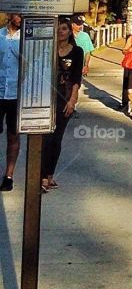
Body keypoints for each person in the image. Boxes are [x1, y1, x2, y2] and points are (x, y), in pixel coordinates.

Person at [41, 19, 83, 192]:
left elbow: (76, 79)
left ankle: (49, 175)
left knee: (56, 139)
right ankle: (42, 176)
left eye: (64, 29)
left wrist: (72, 100)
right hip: (45, 97)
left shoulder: (77, 52)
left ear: (69, 31)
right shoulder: (47, 49)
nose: (61, 31)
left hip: (64, 98)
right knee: (45, 138)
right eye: (58, 29)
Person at [0, 14, 22, 192]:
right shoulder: (0, 35)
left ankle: (9, 175)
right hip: (0, 91)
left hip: (17, 93)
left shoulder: (26, 39)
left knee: (13, 135)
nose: (21, 17)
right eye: (18, 13)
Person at [70, 14, 94, 80]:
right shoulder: (67, 35)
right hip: (66, 66)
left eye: (81, 24)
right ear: (72, 24)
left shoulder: (85, 36)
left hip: (79, 66)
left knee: (76, 86)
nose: (80, 26)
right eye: (78, 24)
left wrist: (86, 65)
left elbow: (87, 52)